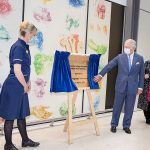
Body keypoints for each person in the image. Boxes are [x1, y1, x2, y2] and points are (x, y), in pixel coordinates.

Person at [0, 21, 40, 150]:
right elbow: (17, 70)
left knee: (22, 114)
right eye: (32, 35)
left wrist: (27, 82)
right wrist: (24, 84)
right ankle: (8, 145)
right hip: (13, 87)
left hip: (21, 85)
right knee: (10, 116)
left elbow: (24, 68)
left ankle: (25, 140)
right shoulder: (18, 47)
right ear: (27, 33)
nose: (33, 38)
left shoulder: (24, 46)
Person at [94, 39, 144, 134]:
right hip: (120, 86)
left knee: (129, 107)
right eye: (125, 47)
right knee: (117, 106)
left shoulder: (140, 58)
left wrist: (140, 87)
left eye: (127, 47)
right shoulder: (120, 57)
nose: (125, 49)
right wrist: (100, 75)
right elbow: (109, 65)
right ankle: (114, 124)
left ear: (133, 47)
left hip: (133, 87)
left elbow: (141, 74)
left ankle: (126, 126)